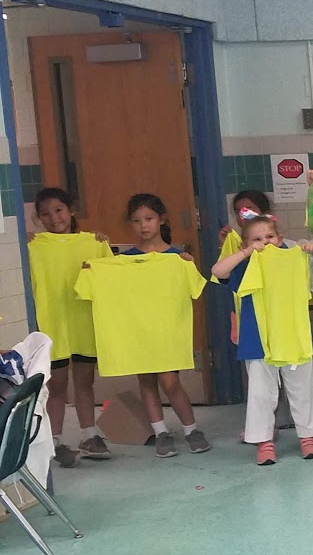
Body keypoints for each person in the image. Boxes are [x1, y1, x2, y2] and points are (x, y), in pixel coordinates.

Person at [211, 211, 313, 465]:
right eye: (256, 239)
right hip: (258, 338)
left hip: (293, 334)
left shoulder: (293, 258)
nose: (264, 243)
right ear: (246, 244)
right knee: (261, 393)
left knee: (302, 387)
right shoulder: (246, 264)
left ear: (280, 238)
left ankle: (308, 437)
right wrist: (245, 253)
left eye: (269, 237)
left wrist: (310, 252)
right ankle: (264, 442)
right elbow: (218, 271)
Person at [121, 194, 211, 458]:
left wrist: (187, 266)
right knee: (146, 381)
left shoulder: (176, 258)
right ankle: (160, 432)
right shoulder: (125, 261)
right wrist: (94, 269)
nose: (143, 226)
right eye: (136, 221)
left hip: (166, 328)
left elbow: (195, 289)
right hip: (139, 329)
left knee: (170, 382)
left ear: (161, 219)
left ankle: (191, 429)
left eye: (148, 219)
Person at [29, 188, 112, 467]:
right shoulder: (33, 246)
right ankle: (54, 442)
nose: (54, 218)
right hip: (53, 323)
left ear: (71, 210)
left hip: (83, 323)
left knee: (85, 382)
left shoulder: (92, 243)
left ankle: (90, 435)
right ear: (37, 218)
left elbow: (112, 275)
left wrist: (102, 246)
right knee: (57, 384)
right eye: (45, 213)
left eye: (59, 210)